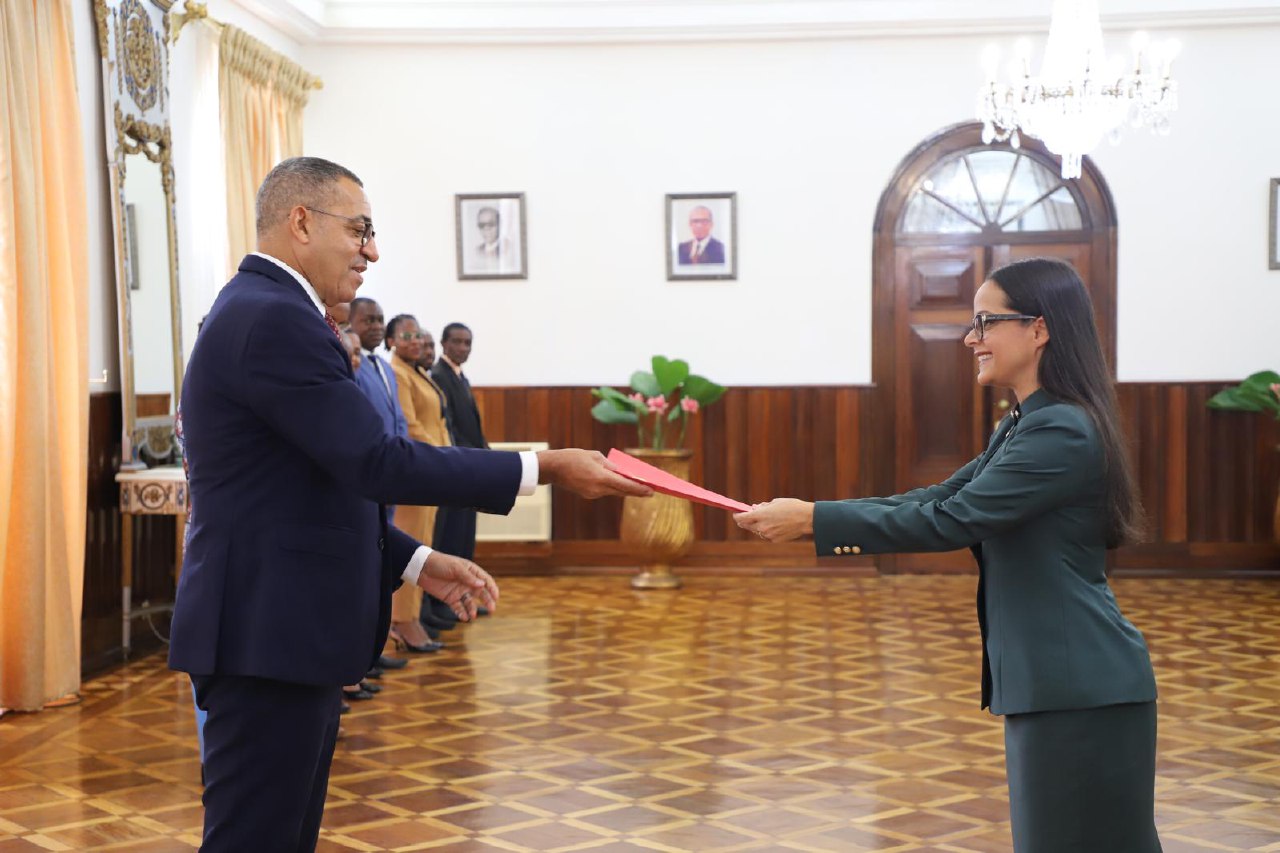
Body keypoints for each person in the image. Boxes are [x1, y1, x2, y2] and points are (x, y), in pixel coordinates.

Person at [168, 155, 650, 853]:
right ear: (301, 221)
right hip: (264, 631)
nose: (372, 250)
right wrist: (544, 465)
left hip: (281, 629)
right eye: (360, 230)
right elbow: (377, 461)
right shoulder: (271, 317)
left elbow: (311, 488)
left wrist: (416, 559)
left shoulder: (271, 311)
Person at [735, 257, 1160, 853]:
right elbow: (938, 496)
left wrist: (812, 520)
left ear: (1038, 329)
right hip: (1061, 684)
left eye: (986, 322)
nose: (971, 338)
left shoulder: (1059, 431)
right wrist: (813, 514)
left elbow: (951, 520)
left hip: (1081, 687)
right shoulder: (1024, 424)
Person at [384, 313, 450, 652]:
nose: (413, 341)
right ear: (391, 340)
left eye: (417, 334)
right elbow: (410, 426)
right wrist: (445, 458)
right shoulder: (396, 372)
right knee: (413, 550)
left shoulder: (416, 372)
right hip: (417, 470)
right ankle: (403, 621)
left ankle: (413, 618)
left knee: (424, 545)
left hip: (431, 472)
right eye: (405, 334)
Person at [471, 206, 516, 273]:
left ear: (499, 224)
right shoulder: (477, 251)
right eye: (482, 225)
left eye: (491, 224)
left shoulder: (511, 248)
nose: (486, 229)